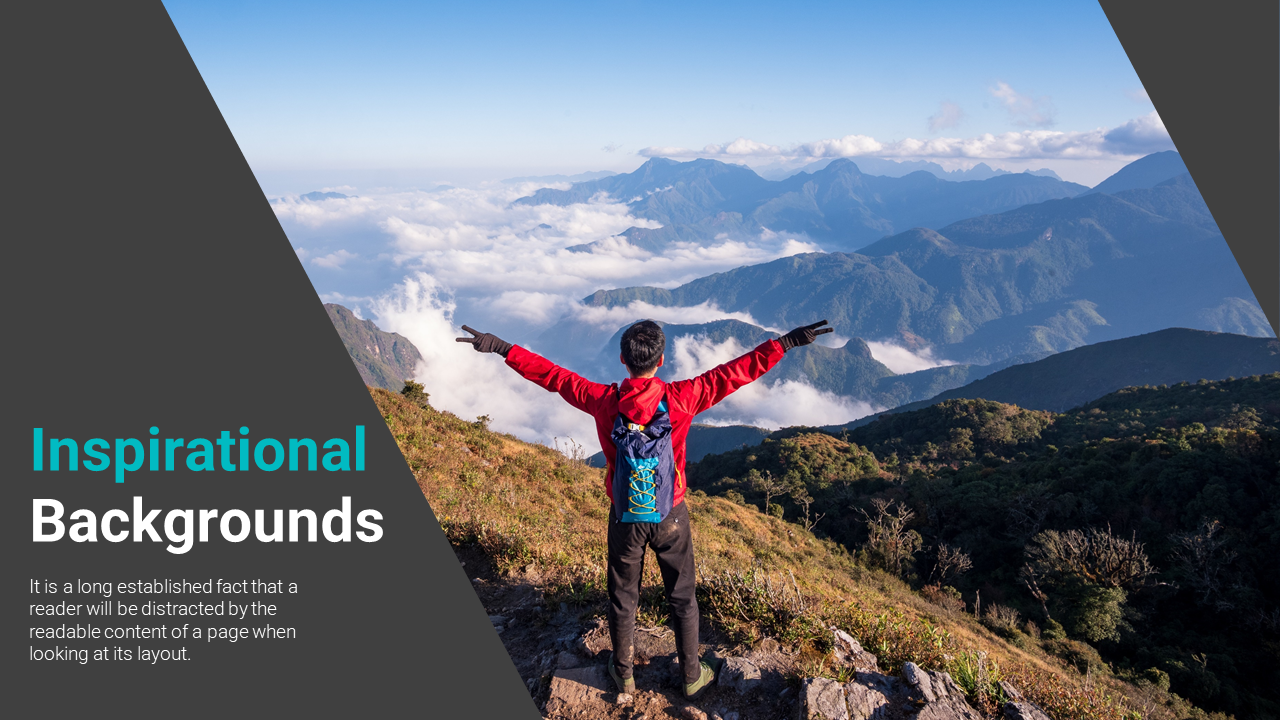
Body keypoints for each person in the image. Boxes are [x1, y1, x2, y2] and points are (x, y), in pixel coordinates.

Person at [456, 319, 832, 698]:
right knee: (682, 597)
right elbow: (733, 373)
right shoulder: (684, 397)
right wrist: (784, 343)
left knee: (623, 596)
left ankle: (623, 674)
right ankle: (691, 675)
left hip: (625, 516)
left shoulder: (604, 401)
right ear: (662, 359)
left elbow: (554, 377)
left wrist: (503, 347)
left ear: (622, 359)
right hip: (671, 514)